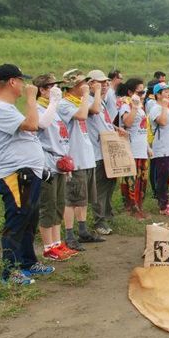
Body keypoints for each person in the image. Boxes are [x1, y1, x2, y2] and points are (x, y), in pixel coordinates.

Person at [0, 64, 55, 285]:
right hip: (15, 175)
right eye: (22, 81)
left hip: (28, 173)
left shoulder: (8, 108)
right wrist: (32, 99)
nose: (25, 86)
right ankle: (10, 270)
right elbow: (33, 124)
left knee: (28, 219)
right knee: (16, 221)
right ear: (13, 82)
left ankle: (27, 262)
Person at [58, 69, 104, 250]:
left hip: (87, 157)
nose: (86, 86)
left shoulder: (80, 101)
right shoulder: (64, 104)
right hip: (74, 159)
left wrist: (97, 92)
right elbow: (82, 115)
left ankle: (83, 230)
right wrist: (87, 94)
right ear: (73, 86)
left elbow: (96, 109)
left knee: (83, 198)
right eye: (82, 83)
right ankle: (69, 234)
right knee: (72, 199)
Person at [33, 73, 77, 261]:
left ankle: (58, 243)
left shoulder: (55, 109)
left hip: (60, 162)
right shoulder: (37, 108)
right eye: (50, 87)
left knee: (59, 204)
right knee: (48, 205)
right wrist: (52, 104)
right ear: (42, 90)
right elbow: (42, 126)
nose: (55, 90)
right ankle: (48, 246)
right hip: (47, 163)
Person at [87, 69, 122, 236]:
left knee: (109, 186)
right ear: (91, 84)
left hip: (108, 151)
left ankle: (108, 215)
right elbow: (93, 112)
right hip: (96, 153)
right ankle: (99, 220)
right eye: (100, 83)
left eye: (105, 83)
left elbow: (106, 121)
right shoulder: (88, 100)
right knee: (100, 189)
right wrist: (97, 92)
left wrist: (116, 129)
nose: (104, 86)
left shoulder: (100, 101)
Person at [119, 78, 150, 219]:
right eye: (140, 91)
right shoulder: (126, 106)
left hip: (141, 148)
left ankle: (139, 206)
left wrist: (148, 147)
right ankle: (131, 208)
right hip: (131, 148)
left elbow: (142, 128)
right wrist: (135, 107)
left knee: (141, 180)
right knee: (131, 180)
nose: (143, 94)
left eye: (144, 91)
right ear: (130, 92)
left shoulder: (141, 106)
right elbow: (128, 123)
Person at [149, 83, 169, 215]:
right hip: (162, 148)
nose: (168, 93)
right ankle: (162, 205)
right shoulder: (155, 108)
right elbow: (161, 122)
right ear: (158, 94)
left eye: (168, 91)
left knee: (167, 177)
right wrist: (164, 107)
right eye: (165, 91)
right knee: (162, 177)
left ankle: (166, 201)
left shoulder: (168, 109)